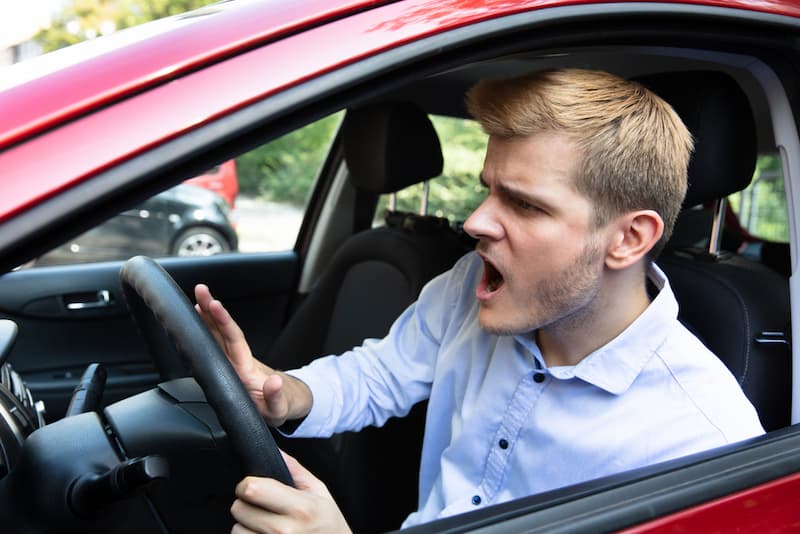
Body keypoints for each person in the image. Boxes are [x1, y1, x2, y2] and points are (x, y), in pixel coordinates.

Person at [194, 68, 765, 533]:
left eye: (524, 204)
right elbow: (378, 376)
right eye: (487, 189)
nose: (473, 223)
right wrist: (284, 393)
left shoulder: (704, 441)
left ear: (628, 239)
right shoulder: (471, 288)